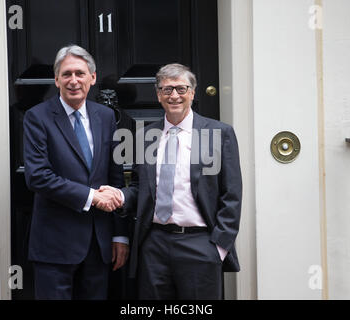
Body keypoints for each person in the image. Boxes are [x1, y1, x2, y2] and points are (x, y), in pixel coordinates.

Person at [102, 63, 242, 299]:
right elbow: (139, 187)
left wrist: (218, 246)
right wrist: (121, 196)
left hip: (200, 243)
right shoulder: (146, 136)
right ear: (158, 95)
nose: (174, 95)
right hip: (154, 244)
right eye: (167, 90)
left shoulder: (219, 133)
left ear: (192, 93)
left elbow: (232, 194)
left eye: (181, 89)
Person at [23, 45, 128, 300]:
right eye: (66, 74)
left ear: (92, 78)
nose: (73, 81)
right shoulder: (37, 117)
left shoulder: (105, 116)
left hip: (99, 245)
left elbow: (115, 177)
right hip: (54, 246)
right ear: (56, 79)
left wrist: (120, 234)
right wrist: (92, 197)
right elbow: (37, 176)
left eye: (80, 73)